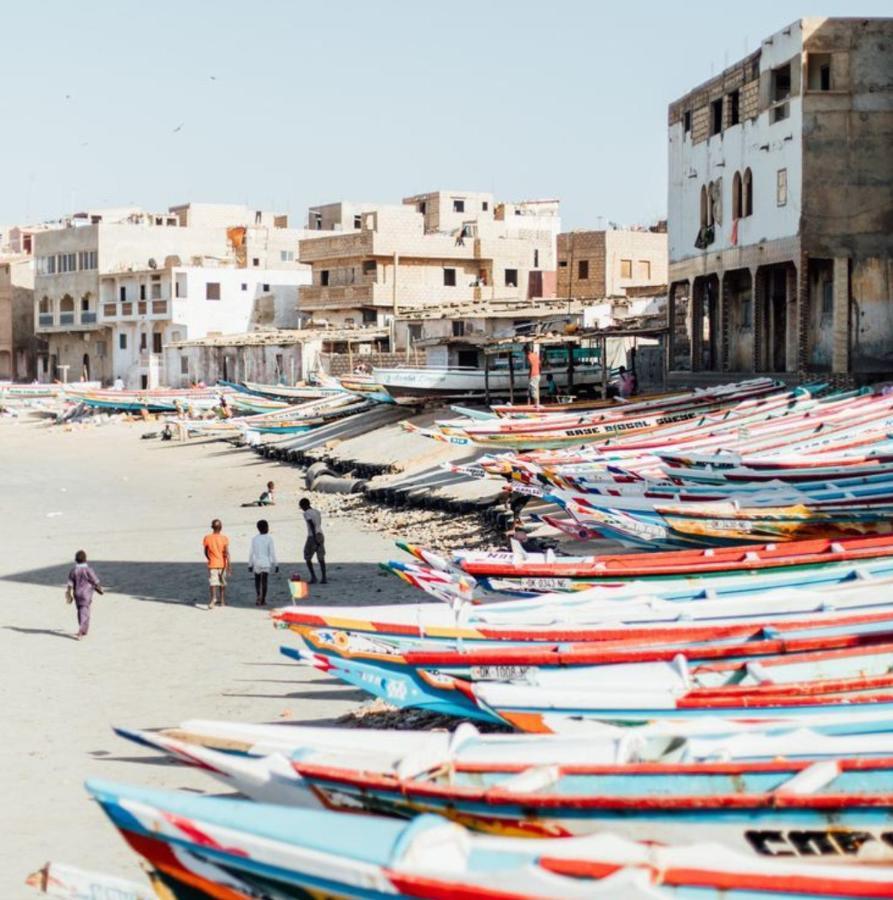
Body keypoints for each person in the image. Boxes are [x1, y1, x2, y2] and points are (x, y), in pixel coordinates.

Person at [66, 550, 104, 640]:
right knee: (85, 612)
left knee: (80, 611)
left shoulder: (73, 571)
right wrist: (99, 588)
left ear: (75, 560)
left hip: (77, 594)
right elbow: (95, 581)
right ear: (86, 559)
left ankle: (84, 630)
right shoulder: (88, 570)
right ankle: (81, 631)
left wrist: (69, 593)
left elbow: (70, 584)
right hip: (86, 594)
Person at [248, 519, 278, 606]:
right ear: (267, 528)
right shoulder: (269, 539)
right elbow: (272, 552)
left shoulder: (254, 539)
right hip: (266, 563)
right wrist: (276, 564)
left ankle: (258, 596)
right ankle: (263, 599)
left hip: (257, 562)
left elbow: (251, 553)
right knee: (264, 581)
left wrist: (250, 564)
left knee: (257, 580)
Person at [203, 518, 231, 608]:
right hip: (223, 564)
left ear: (212, 527)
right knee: (222, 583)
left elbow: (206, 551)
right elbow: (227, 553)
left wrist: (209, 558)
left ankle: (213, 599)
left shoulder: (207, 538)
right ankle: (222, 601)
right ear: (221, 527)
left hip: (213, 563)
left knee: (213, 583)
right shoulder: (224, 538)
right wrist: (229, 565)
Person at [299, 497, 327, 584]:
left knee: (307, 556)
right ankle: (324, 577)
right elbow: (318, 524)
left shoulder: (306, 513)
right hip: (321, 534)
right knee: (321, 558)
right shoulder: (317, 511)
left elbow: (311, 524)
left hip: (312, 536)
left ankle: (314, 577)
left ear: (304, 505)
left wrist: (314, 538)